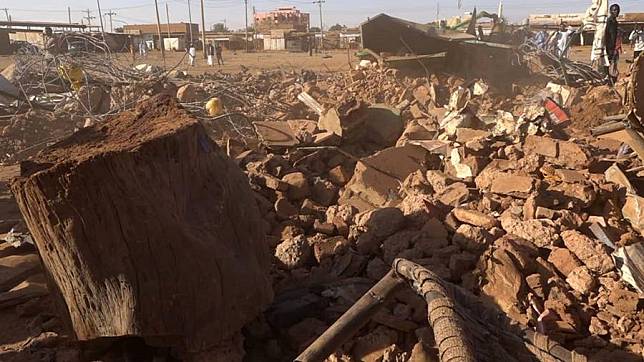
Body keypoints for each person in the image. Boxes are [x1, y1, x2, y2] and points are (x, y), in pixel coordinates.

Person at [605, 4, 621, 83]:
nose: (616, 11)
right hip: (609, 49)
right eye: (614, 10)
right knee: (608, 68)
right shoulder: (609, 21)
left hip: (614, 48)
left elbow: (615, 36)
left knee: (613, 67)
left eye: (617, 10)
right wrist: (609, 49)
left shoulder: (615, 22)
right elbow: (606, 36)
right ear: (610, 11)